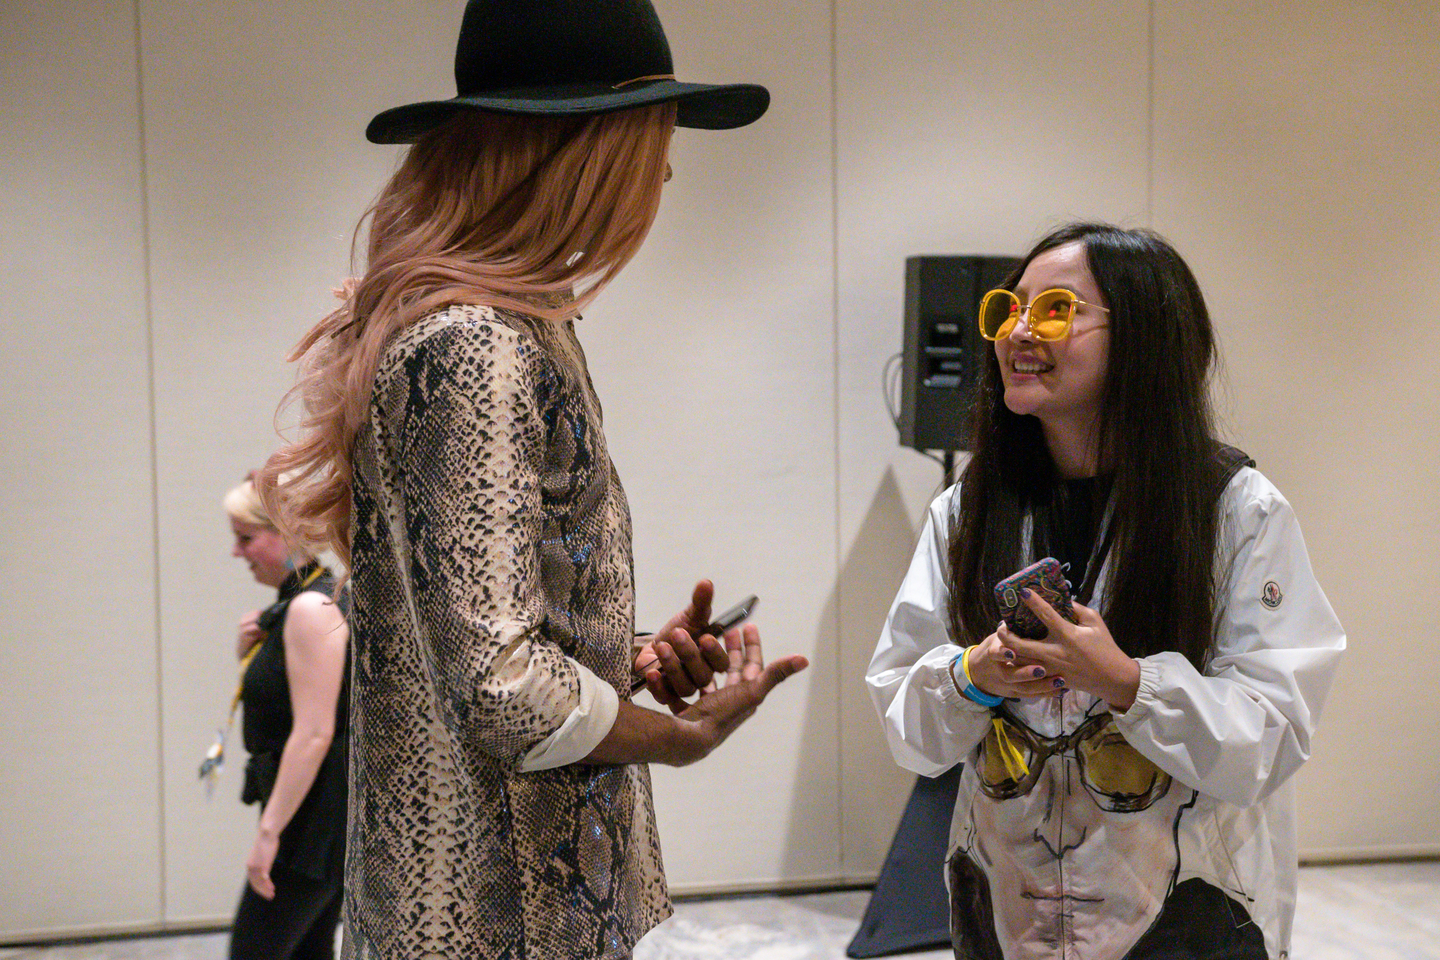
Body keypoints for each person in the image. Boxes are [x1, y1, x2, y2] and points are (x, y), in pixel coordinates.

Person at [255, 1, 808, 957]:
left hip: (510, 899)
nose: (664, 173)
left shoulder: (513, 328)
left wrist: (617, 656)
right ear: (582, 152)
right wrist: (679, 738)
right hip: (493, 915)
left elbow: (475, 627)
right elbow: (501, 688)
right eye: (652, 141)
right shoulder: (477, 347)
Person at [866, 222, 1345, 960]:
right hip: (1009, 921)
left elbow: (1271, 735)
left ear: (1147, 338)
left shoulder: (1235, 509)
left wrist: (1128, 684)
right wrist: (971, 676)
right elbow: (907, 724)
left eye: (1056, 310)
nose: (1019, 332)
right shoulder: (969, 509)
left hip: (1187, 921)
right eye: (1008, 309)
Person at [223, 476, 350, 960]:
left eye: (246, 537)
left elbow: (315, 734)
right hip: (316, 819)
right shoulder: (302, 602)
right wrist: (250, 655)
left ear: (287, 533)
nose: (237, 552)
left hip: (308, 826)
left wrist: (269, 833)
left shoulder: (310, 608)